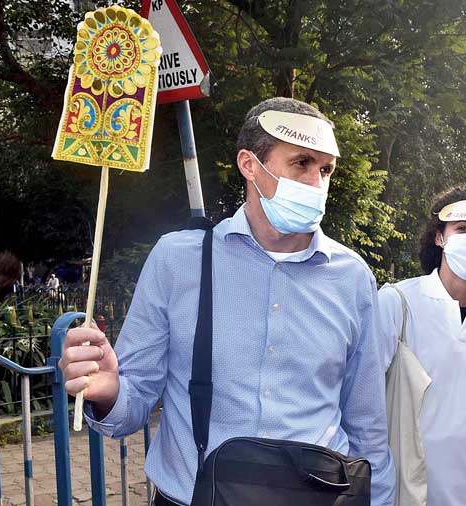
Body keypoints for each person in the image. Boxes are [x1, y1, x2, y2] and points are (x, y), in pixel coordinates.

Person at [59, 98, 395, 506]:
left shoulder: (353, 278)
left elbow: (368, 424)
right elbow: (130, 405)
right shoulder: (178, 260)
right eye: (301, 163)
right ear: (250, 165)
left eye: (325, 170)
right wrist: (109, 391)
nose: (316, 184)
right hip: (192, 496)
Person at [377, 184, 466, 506]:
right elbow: (364, 400)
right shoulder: (397, 302)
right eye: (463, 228)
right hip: (405, 482)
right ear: (440, 236)